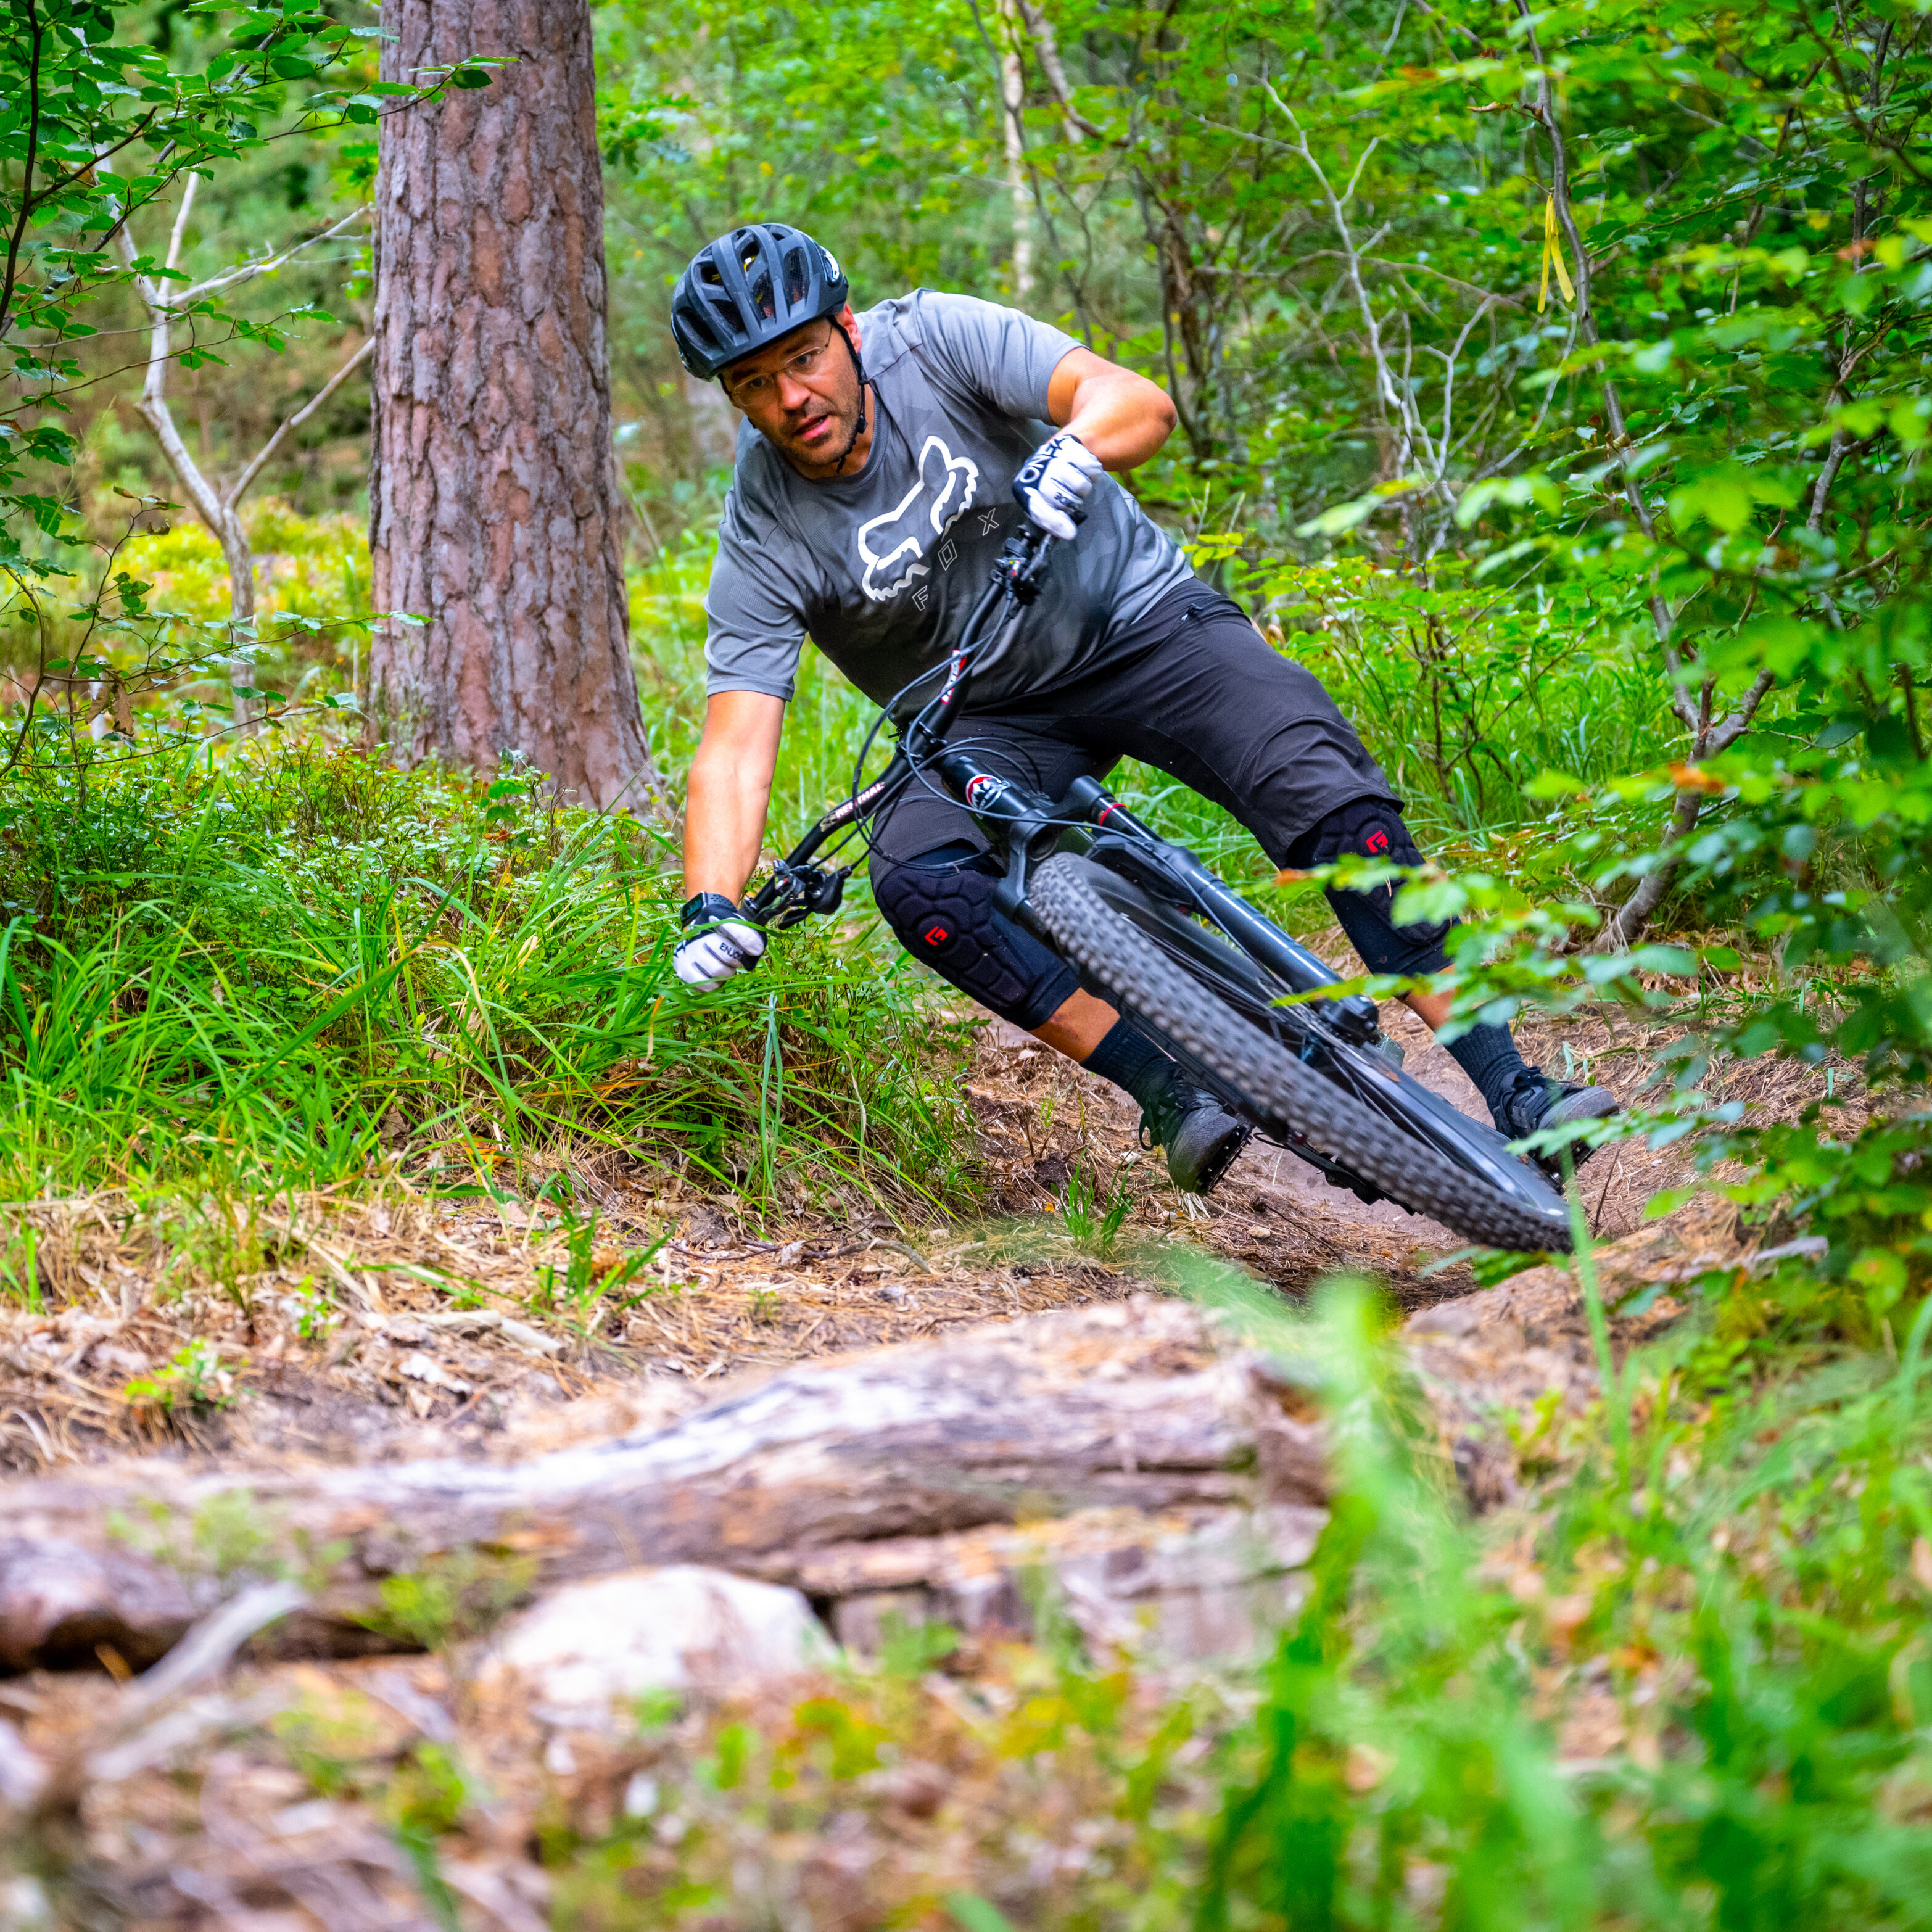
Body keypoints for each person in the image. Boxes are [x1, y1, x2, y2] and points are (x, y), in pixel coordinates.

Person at [667, 222, 1614, 1195]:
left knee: (1314, 779)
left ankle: (1514, 1085)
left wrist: (1077, 447)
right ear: (734, 397)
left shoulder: (936, 340)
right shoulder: (764, 527)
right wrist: (710, 908)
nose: (792, 397)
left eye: (805, 358)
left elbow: (1131, 400)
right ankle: (1171, 1088)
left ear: (850, 332)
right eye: (755, 383)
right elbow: (735, 743)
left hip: (1138, 624)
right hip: (981, 720)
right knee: (922, 887)